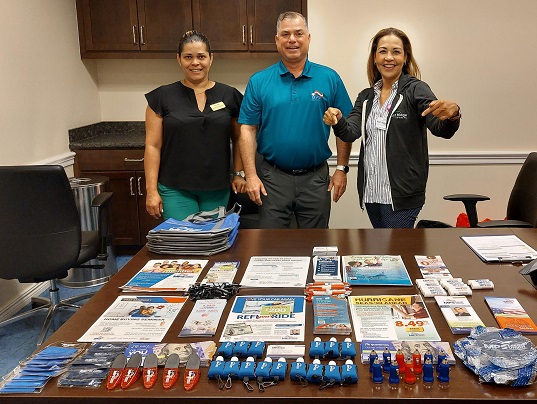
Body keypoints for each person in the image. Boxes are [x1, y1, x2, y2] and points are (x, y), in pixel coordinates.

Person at [324, 27, 461, 228]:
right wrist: (338, 120)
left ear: (405, 57)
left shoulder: (415, 89)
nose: (389, 57)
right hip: (372, 193)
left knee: (395, 254)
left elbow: (439, 128)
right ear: (374, 57)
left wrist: (453, 115)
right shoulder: (366, 96)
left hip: (402, 196)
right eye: (383, 51)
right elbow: (351, 131)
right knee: (385, 253)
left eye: (396, 51)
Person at [238, 12, 353, 229]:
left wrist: (341, 168)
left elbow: (345, 127)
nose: (292, 39)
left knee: (316, 244)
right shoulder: (259, 81)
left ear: (308, 38)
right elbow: (247, 130)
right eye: (286, 34)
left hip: (316, 178)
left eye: (298, 33)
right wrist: (250, 175)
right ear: (277, 40)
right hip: (272, 178)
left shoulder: (329, 78)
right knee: (272, 246)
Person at [144, 30, 246, 221]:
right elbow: (152, 146)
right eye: (188, 57)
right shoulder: (161, 97)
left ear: (211, 58)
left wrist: (239, 173)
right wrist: (151, 190)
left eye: (201, 56)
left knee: (211, 241)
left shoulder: (230, 95)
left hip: (217, 187)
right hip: (175, 187)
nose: (195, 63)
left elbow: (240, 138)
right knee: (184, 242)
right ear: (179, 59)